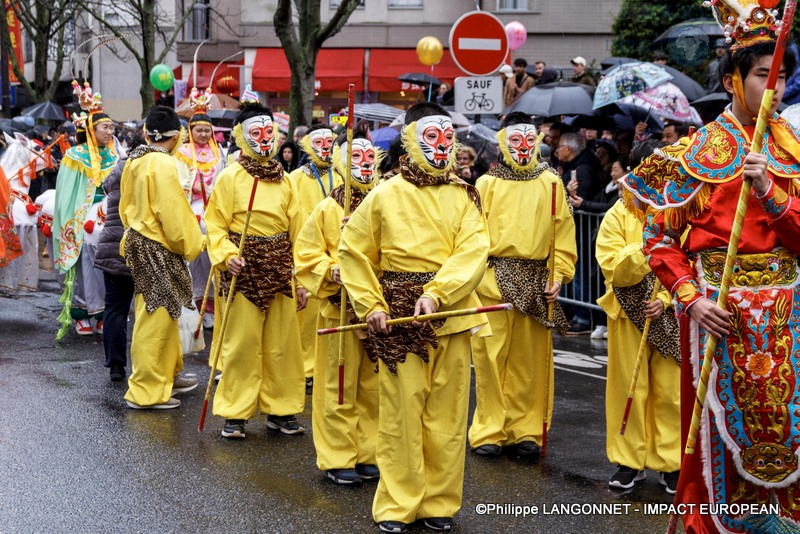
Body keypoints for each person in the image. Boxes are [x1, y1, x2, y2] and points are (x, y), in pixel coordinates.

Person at [621, 2, 800, 529]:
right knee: (719, 437)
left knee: (791, 429)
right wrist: (690, 298)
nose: (776, 88)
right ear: (731, 80)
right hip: (720, 315)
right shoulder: (696, 153)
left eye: (783, 77)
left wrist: (770, 191)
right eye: (765, 75)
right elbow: (658, 238)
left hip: (788, 317)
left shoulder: (790, 153)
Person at [338, 102, 489, 533]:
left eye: (447, 139)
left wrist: (438, 294)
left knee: (447, 416)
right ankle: (397, 504)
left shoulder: (464, 194)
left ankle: (439, 504)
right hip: (398, 320)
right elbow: (353, 251)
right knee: (402, 417)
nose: (441, 149)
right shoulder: (385, 194)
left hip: (452, 315)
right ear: (411, 141)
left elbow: (474, 250)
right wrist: (372, 305)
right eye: (431, 139)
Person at [468, 112, 576, 460]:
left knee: (530, 364)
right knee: (489, 360)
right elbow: (471, 236)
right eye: (516, 141)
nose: (523, 147)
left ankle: (526, 430)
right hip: (491, 281)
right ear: (504, 143)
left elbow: (563, 237)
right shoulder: (486, 184)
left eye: (529, 140)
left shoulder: (552, 183)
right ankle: (489, 429)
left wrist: (558, 275)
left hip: (535, 283)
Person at [205, 103, 307, 438]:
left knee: (282, 345)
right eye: (256, 133)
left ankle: (281, 409)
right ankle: (235, 413)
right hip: (243, 272)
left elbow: (299, 231)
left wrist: (302, 278)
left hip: (279, 270)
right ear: (241, 137)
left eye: (268, 133)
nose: (264, 140)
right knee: (242, 344)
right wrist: (226, 254)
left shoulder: (286, 181)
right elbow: (215, 226)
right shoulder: (230, 178)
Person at [294, 132, 380, 486]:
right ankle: (338, 456)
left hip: (378, 311)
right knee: (338, 386)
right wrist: (331, 269)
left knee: (373, 387)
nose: (364, 164)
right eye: (355, 158)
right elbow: (307, 251)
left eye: (369, 158)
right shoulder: (329, 207)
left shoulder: (387, 202)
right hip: (340, 310)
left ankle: (368, 452)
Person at [596, 139, 682, 493]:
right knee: (628, 387)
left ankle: (671, 461)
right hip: (628, 309)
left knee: (670, 390)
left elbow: (688, 258)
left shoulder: (679, 210)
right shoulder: (619, 212)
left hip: (669, 308)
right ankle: (629, 460)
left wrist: (664, 298)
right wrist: (647, 247)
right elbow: (612, 266)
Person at [119, 106, 204, 410]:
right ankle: (147, 389)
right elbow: (172, 212)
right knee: (155, 318)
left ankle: (167, 373)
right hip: (156, 245)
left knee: (167, 314)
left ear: (147, 133)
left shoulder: (136, 160)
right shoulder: (163, 164)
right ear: (178, 136)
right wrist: (194, 242)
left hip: (142, 241)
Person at [53, 81, 118, 338]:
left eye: (112, 127)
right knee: (83, 266)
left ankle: (101, 311)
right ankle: (81, 312)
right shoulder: (74, 156)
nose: (110, 131)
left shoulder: (114, 156)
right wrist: (73, 220)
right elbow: (66, 194)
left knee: (107, 265)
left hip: (107, 216)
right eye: (106, 127)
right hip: (82, 216)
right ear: (92, 129)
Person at [288, 124, 342, 388]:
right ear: (308, 145)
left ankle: (320, 367)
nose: (326, 147)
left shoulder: (342, 177)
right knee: (303, 315)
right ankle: (302, 368)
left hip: (333, 256)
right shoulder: (295, 178)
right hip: (305, 253)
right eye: (319, 142)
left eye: (330, 142)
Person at [94, 130, 145, 382]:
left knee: (114, 309)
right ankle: (145, 366)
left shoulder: (118, 168)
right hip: (142, 246)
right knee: (149, 310)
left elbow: (104, 188)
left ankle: (116, 366)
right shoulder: (149, 168)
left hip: (111, 247)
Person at [175, 87, 223, 330]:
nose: (203, 134)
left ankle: (212, 306)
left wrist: (216, 188)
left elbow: (224, 177)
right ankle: (190, 304)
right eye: (199, 130)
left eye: (207, 130)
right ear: (190, 131)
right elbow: (177, 179)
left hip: (214, 206)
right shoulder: (182, 153)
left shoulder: (219, 152)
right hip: (192, 206)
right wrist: (194, 184)